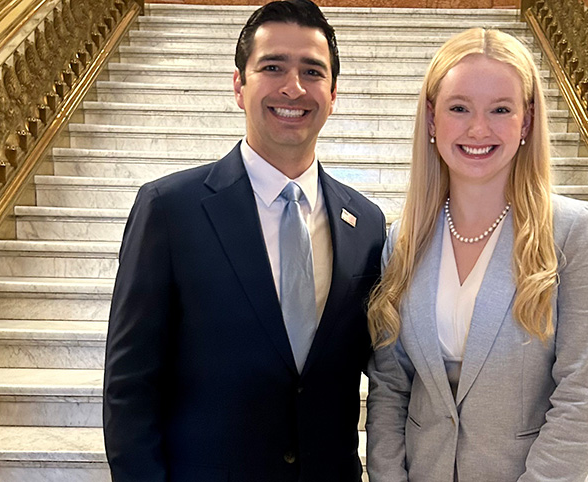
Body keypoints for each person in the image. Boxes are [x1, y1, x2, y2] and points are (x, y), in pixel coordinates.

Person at [102, 1, 385, 480]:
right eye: (272, 67)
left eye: (312, 71)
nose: (293, 87)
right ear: (239, 85)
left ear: (333, 93)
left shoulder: (366, 223)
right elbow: (129, 386)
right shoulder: (170, 210)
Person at [365, 28, 588, 482]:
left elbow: (586, 395)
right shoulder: (405, 238)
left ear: (526, 121)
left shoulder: (573, 232)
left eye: (500, 109)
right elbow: (390, 385)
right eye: (459, 108)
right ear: (431, 119)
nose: (478, 129)